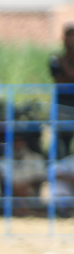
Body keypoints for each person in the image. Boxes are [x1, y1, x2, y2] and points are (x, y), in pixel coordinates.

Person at [47, 24, 74, 158]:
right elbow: (62, 84)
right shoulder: (55, 61)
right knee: (61, 145)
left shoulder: (60, 60)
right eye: (68, 36)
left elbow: (70, 76)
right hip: (63, 109)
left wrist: (63, 62)